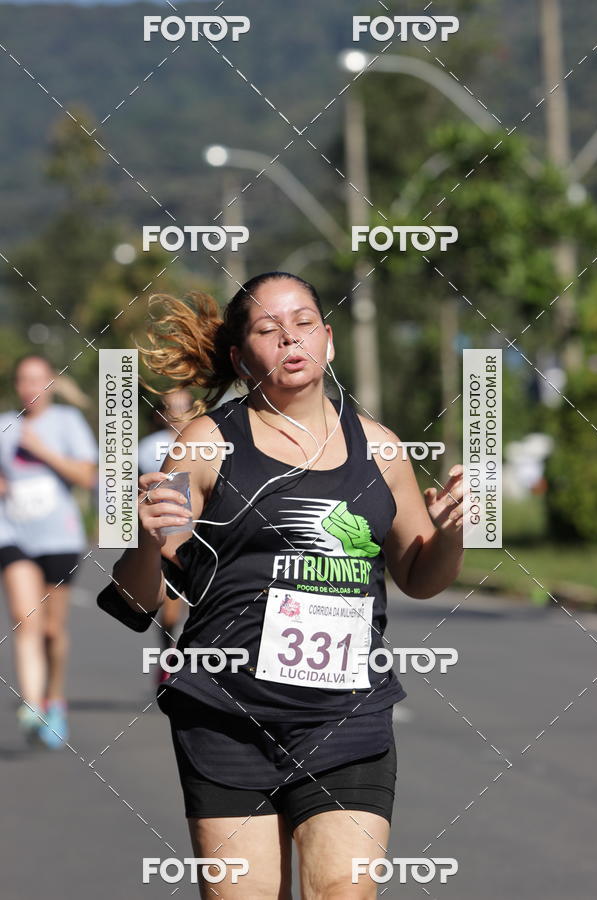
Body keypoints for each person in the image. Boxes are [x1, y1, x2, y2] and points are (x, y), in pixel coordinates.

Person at [98, 273, 465, 898]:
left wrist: (452, 530)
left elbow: (420, 577)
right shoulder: (206, 444)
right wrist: (144, 539)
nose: (289, 338)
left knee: (343, 890)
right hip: (228, 715)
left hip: (347, 715)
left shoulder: (380, 448)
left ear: (327, 338)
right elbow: (140, 602)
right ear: (241, 358)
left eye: (303, 323)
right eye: (268, 330)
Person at [0, 354, 98, 748]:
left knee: (53, 630)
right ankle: (33, 702)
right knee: (26, 619)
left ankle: (54, 696)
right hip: (13, 533)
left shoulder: (67, 423)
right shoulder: (5, 425)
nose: (30, 388)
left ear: (51, 383)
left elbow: (89, 476)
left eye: (38, 380)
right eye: (24, 380)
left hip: (58, 537)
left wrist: (45, 452)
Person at [138, 388, 194, 683]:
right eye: (172, 406)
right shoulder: (148, 447)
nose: (178, 412)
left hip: (204, 538)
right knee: (171, 613)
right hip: (167, 538)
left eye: (184, 405)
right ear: (161, 413)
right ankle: (169, 657)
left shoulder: (208, 442)